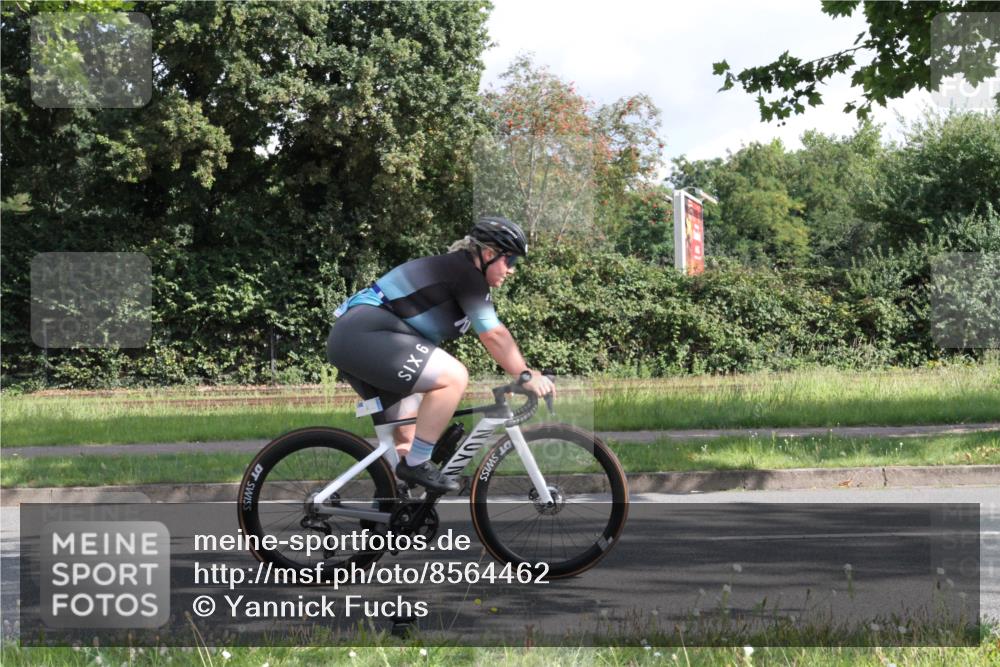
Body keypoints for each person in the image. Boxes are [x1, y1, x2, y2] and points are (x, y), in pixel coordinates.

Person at [326, 216, 556, 493]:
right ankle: (417, 464)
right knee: (453, 377)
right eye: (510, 261)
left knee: (408, 439)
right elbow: (493, 335)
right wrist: (525, 374)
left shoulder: (459, 274)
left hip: (366, 339)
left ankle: (389, 516)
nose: (511, 271)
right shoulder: (466, 274)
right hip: (365, 334)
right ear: (488, 254)